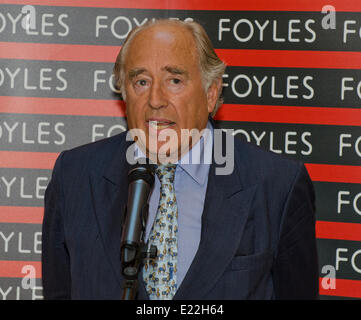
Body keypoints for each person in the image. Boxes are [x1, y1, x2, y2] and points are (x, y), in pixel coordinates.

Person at [41, 19, 319, 299]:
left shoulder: (277, 185)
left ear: (211, 94)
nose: (155, 99)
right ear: (124, 93)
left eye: (174, 80)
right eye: (141, 81)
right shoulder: (75, 177)